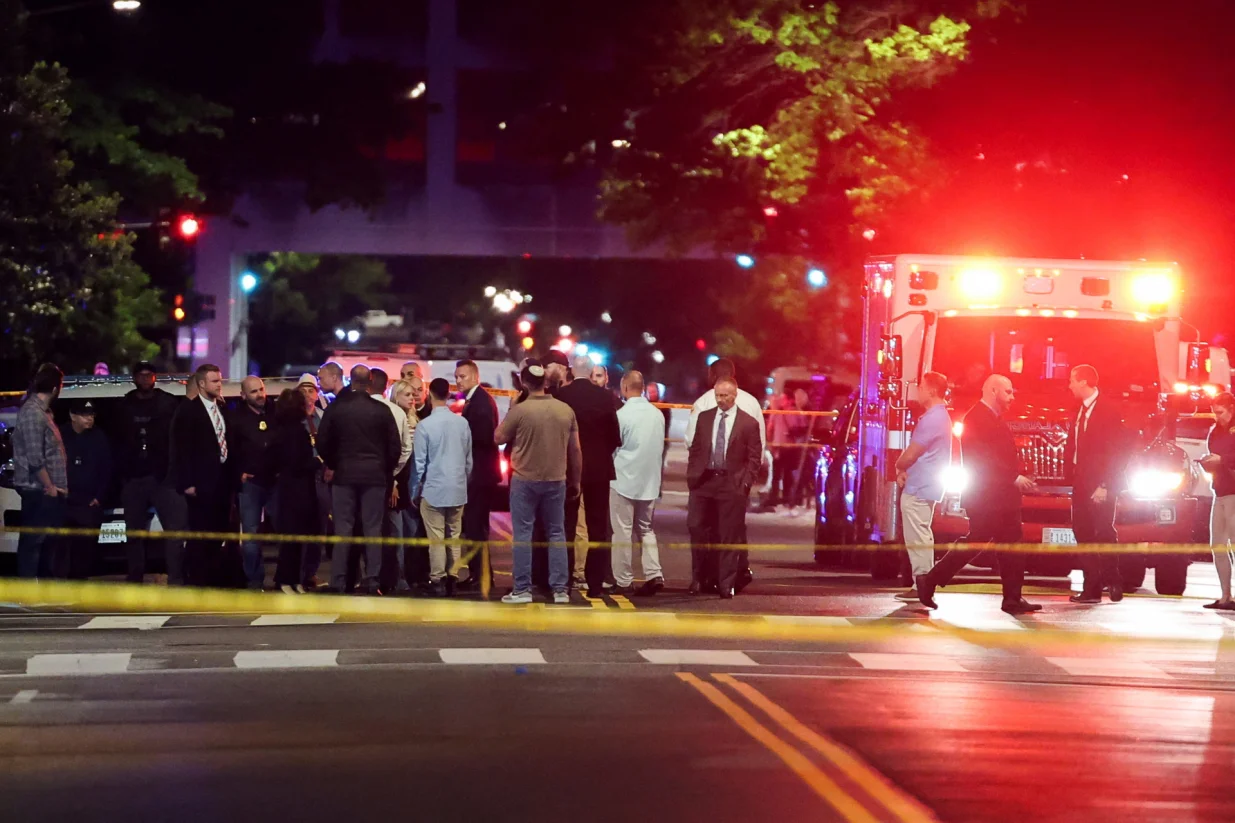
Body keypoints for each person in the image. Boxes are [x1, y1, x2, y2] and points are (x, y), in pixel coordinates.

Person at [917, 374, 1041, 615]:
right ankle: (930, 580)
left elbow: (1001, 455)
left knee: (1012, 545)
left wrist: (1020, 473)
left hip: (1002, 498)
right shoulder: (977, 418)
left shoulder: (993, 418)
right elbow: (985, 459)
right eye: (1008, 392)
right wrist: (1012, 477)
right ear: (993, 391)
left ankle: (1012, 599)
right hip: (988, 497)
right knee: (978, 541)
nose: (1012, 398)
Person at [495, 362, 581, 604]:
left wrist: (511, 408)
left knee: (523, 534)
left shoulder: (520, 410)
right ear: (545, 382)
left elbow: (498, 437)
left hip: (524, 480)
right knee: (556, 533)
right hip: (556, 480)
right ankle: (560, 589)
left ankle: (522, 589)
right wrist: (576, 480)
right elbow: (575, 450)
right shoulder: (565, 410)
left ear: (523, 383)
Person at [317, 364, 400, 594]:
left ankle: (339, 580)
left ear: (349, 380)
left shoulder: (337, 409)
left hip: (344, 475)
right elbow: (395, 446)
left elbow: (322, 441)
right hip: (374, 476)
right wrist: (385, 470)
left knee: (343, 529)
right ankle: (373, 581)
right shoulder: (381, 410)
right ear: (370, 381)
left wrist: (334, 463)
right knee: (373, 529)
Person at [686, 377, 762, 598]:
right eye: (717, 395)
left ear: (734, 395)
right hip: (704, 481)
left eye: (725, 396)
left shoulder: (748, 423)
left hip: (731, 483)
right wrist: (693, 474)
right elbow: (696, 448)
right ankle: (699, 578)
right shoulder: (704, 418)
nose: (720, 400)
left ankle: (726, 583)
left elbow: (754, 458)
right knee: (697, 528)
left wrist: (745, 483)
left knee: (728, 534)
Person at [554, 354, 622, 598]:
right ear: (591, 370)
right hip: (598, 469)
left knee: (566, 526)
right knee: (597, 527)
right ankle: (595, 583)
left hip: (568, 467)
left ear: (572, 370)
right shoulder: (605, 397)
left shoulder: (561, 395)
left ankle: (564, 580)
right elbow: (616, 437)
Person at [1063, 364, 1128, 604]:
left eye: (1072, 380)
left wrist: (1105, 484)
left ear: (1083, 382)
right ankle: (1092, 588)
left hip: (1101, 484)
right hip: (1081, 480)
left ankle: (1114, 578)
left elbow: (1117, 452)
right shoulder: (1079, 409)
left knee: (1103, 531)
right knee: (1082, 531)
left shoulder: (1108, 411)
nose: (1069, 385)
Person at [116, 361, 183, 583]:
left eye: (149, 375)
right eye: (141, 375)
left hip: (162, 478)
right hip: (134, 478)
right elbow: (115, 440)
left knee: (173, 532)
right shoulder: (124, 405)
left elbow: (178, 440)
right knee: (134, 534)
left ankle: (176, 578)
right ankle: (135, 577)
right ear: (134, 378)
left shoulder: (168, 403)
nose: (145, 379)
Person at [168, 364, 234, 587]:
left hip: (222, 482)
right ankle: (197, 581)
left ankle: (214, 580)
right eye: (215, 381)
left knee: (218, 532)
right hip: (200, 483)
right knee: (201, 534)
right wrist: (186, 482)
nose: (219, 385)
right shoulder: (189, 410)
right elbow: (181, 448)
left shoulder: (222, 408)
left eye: (220, 380)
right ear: (202, 384)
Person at [893, 372, 952, 601]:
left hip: (919, 486)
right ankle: (923, 583)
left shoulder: (932, 419)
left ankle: (922, 584)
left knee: (917, 537)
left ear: (932, 390)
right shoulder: (940, 417)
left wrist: (899, 466)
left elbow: (913, 452)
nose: (918, 390)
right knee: (921, 535)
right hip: (927, 483)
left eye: (921, 387)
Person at [413, 378, 473, 595]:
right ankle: (453, 578)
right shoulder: (462, 423)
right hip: (457, 488)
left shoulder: (424, 425)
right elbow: (468, 460)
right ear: (448, 394)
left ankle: (437, 580)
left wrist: (414, 491)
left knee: (436, 537)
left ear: (429, 394)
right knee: (454, 535)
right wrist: (463, 480)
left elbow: (420, 464)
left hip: (434, 488)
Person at [610, 371, 666, 595]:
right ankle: (654, 573)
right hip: (650, 480)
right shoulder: (657, 415)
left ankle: (623, 580)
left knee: (622, 531)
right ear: (642, 387)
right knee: (646, 529)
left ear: (624, 387)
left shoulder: (622, 415)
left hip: (624, 479)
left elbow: (614, 446)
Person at [12, 364, 68, 579]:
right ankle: (28, 591)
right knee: (33, 542)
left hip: (48, 491)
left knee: (47, 543)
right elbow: (35, 457)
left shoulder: (43, 413)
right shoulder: (32, 413)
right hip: (39, 490)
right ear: (55, 388)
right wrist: (49, 486)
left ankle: (45, 591)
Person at [454, 359, 501, 591]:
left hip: (480, 474)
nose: (458, 381)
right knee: (475, 526)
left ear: (475, 376)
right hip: (481, 473)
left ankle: (481, 577)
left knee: (475, 527)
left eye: (462, 376)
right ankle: (480, 575)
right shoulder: (476, 400)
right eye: (456, 377)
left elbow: (482, 439)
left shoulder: (480, 402)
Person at [268, 389, 321, 594]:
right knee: (295, 539)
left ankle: (291, 579)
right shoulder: (297, 432)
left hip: (287, 489)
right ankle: (286, 580)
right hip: (298, 490)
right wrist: (318, 461)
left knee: (292, 538)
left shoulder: (280, 430)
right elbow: (298, 463)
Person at [53, 400, 112, 579]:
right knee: (61, 550)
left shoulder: (98, 437)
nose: (89, 419)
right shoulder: (59, 435)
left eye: (92, 415)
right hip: (64, 502)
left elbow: (107, 468)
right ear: (73, 416)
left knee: (85, 551)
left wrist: (99, 497)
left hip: (88, 504)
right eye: (85, 415)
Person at [230, 376, 273, 589]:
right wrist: (238, 473)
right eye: (254, 391)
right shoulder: (236, 419)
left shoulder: (274, 415)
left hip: (275, 483)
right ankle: (255, 581)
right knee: (250, 536)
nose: (260, 395)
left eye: (261, 389)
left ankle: (288, 578)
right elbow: (228, 450)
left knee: (287, 531)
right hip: (250, 486)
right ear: (244, 395)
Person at [389, 379, 428, 592]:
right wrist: (392, 481)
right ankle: (399, 577)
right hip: (399, 482)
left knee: (413, 534)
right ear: (396, 397)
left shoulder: (416, 421)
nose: (412, 399)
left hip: (413, 484)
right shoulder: (394, 420)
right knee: (399, 536)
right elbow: (394, 456)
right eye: (407, 395)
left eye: (413, 395)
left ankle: (413, 576)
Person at [684, 358, 766, 453]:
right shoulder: (751, 402)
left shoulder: (702, 402)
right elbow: (760, 441)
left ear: (713, 376)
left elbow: (691, 440)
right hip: (743, 465)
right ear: (733, 375)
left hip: (710, 464)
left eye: (709, 375)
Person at [1200, 392, 1235, 610]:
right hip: (1220, 490)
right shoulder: (1215, 431)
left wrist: (1223, 460)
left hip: (1234, 491)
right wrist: (1209, 462)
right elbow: (1214, 453)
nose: (1217, 416)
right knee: (1218, 545)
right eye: (1214, 411)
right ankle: (1225, 596)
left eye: (1220, 412)